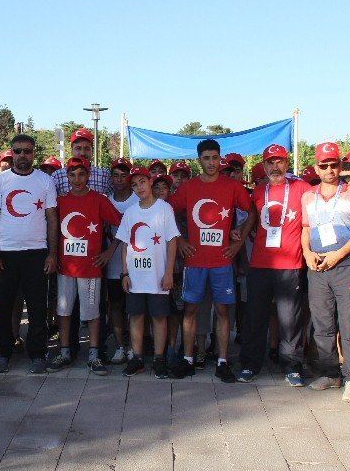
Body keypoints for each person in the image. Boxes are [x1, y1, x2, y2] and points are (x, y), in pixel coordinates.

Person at [172, 138, 254, 381]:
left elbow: (251, 212)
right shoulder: (189, 188)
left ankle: (222, 361)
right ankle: (188, 359)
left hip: (221, 262)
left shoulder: (232, 186)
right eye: (206, 158)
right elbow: (168, 213)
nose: (211, 163)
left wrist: (238, 242)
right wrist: (180, 241)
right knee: (191, 310)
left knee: (222, 311)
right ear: (199, 161)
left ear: (220, 159)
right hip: (194, 262)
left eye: (214, 158)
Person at [237, 144, 311, 385]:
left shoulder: (301, 188)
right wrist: (238, 236)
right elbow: (251, 219)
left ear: (286, 163)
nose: (275, 166)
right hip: (260, 263)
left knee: (289, 320)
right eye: (270, 162)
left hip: (290, 264)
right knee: (255, 317)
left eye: (279, 161)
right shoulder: (259, 191)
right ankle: (250, 364)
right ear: (264, 165)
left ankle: (292, 366)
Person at [300, 142, 350, 400]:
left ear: (340, 166)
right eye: (324, 165)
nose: (330, 169)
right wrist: (307, 253)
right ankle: (330, 373)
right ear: (316, 168)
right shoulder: (308, 196)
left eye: (334, 165)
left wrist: (338, 255)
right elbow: (305, 229)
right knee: (322, 324)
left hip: (345, 263)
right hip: (317, 265)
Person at [0, 134, 58, 374]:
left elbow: (51, 219)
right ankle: (2, 353)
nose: (22, 156)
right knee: (3, 308)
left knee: (38, 308)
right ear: (12, 152)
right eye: (18, 151)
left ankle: (37, 353)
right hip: (6, 253)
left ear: (33, 153)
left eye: (27, 151)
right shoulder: (0, 181)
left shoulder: (45, 181)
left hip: (36, 253)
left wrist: (52, 254)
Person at [48, 156, 123, 374]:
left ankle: (93, 354)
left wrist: (109, 252)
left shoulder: (98, 200)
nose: (77, 179)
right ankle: (64, 352)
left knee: (91, 312)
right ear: (66, 176)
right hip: (65, 268)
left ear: (88, 175)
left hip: (90, 268)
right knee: (63, 311)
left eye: (81, 174)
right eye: (72, 174)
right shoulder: (60, 201)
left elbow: (123, 223)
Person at [116, 167, 180, 378]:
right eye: (134, 184)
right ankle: (138, 358)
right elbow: (125, 244)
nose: (139, 187)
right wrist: (124, 273)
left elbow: (172, 241)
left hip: (158, 275)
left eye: (142, 182)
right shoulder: (131, 212)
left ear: (150, 181)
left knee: (159, 317)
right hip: (135, 277)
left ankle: (159, 359)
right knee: (135, 316)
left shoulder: (164, 209)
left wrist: (169, 272)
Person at [104, 157, 138, 364]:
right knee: (115, 305)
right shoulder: (106, 200)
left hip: (135, 262)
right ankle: (119, 346)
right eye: (115, 175)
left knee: (134, 307)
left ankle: (135, 346)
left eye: (123, 175)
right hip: (113, 263)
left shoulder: (138, 199)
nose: (119, 179)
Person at [51, 128, 111, 196]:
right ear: (72, 150)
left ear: (92, 151)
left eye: (87, 149)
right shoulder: (58, 176)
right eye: (78, 148)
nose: (82, 153)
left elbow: (116, 198)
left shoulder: (104, 175)